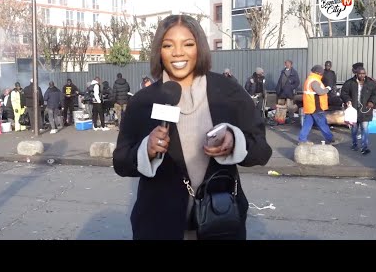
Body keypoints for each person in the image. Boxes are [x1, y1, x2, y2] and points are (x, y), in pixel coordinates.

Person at [113, 14, 272, 240]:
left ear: (200, 47)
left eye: (188, 44)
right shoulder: (143, 101)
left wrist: (235, 141)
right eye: (168, 45)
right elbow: (120, 162)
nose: (178, 52)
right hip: (159, 226)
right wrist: (145, 150)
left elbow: (262, 151)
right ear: (159, 50)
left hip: (221, 222)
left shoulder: (228, 92)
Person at [340, 66, 376, 155]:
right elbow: (344, 93)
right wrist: (347, 100)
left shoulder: (371, 83)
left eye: (364, 73)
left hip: (365, 110)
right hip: (353, 110)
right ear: (356, 74)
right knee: (354, 129)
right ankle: (354, 144)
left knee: (364, 129)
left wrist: (372, 102)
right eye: (360, 73)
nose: (362, 75)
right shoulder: (349, 83)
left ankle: (364, 147)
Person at [297, 65, 337, 146]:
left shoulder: (310, 79)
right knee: (322, 123)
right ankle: (330, 139)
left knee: (307, 124)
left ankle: (302, 140)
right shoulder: (315, 81)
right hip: (316, 107)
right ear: (319, 73)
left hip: (310, 106)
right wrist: (328, 89)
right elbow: (320, 92)